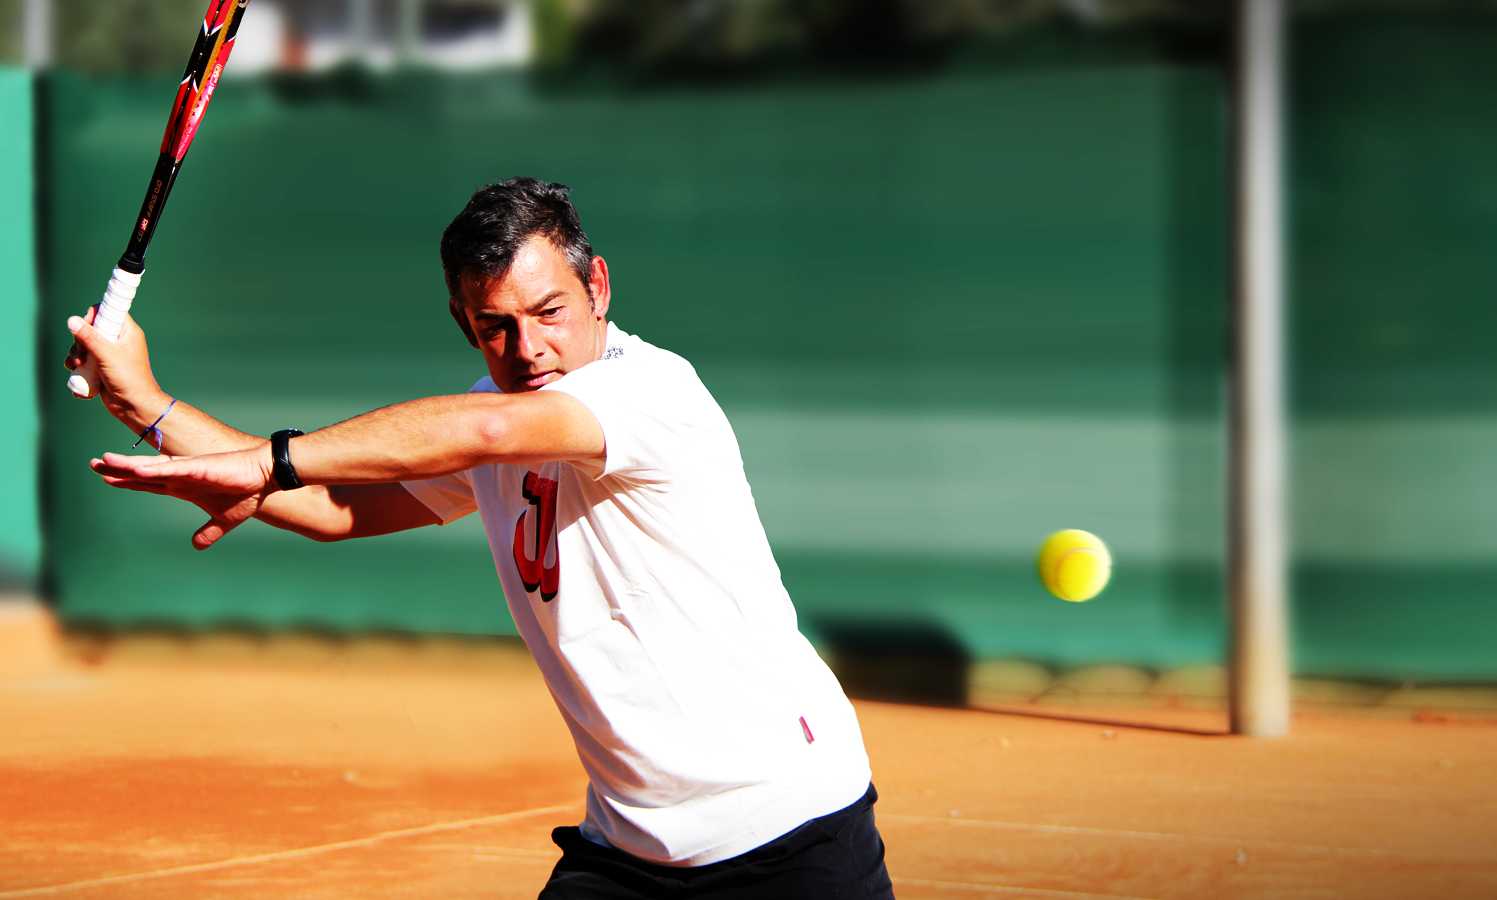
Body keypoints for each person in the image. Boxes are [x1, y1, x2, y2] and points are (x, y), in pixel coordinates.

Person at [65, 177, 894, 899]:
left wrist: (267, 461)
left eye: (549, 311)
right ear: (465, 324)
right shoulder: (484, 416)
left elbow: (491, 427)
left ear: (597, 285)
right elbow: (335, 509)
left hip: (789, 833)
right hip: (632, 850)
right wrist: (149, 407)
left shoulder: (651, 392)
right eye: (495, 325)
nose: (529, 349)